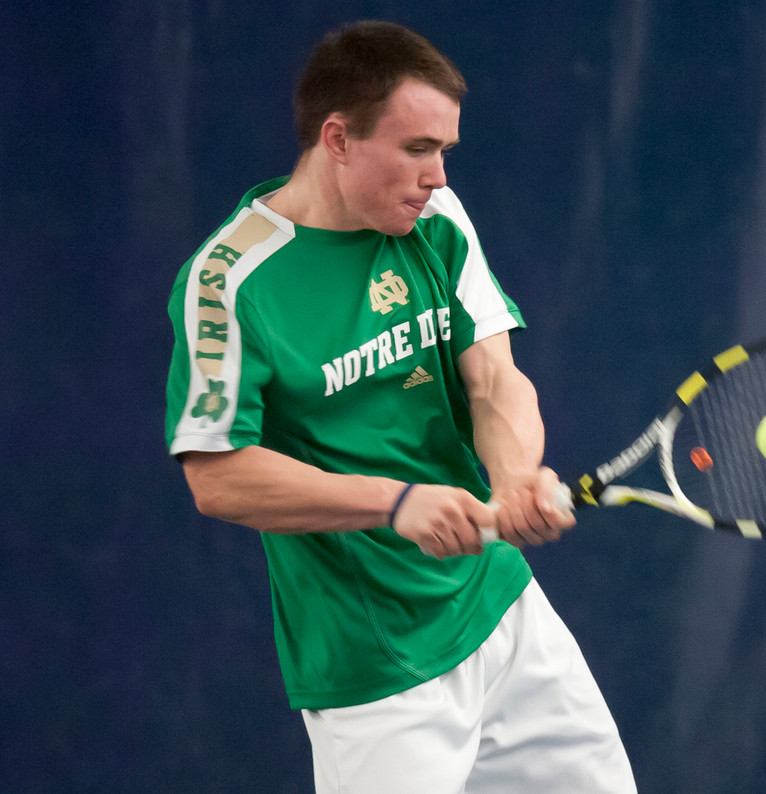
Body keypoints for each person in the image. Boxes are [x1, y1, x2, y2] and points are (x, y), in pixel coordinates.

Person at [164, 19, 636, 794]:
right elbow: (216, 478)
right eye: (418, 149)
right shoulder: (228, 283)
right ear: (338, 138)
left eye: (445, 151)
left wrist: (515, 476)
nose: (438, 177)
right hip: (378, 664)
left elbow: (495, 378)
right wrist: (396, 503)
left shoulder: (435, 220)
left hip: (501, 607)